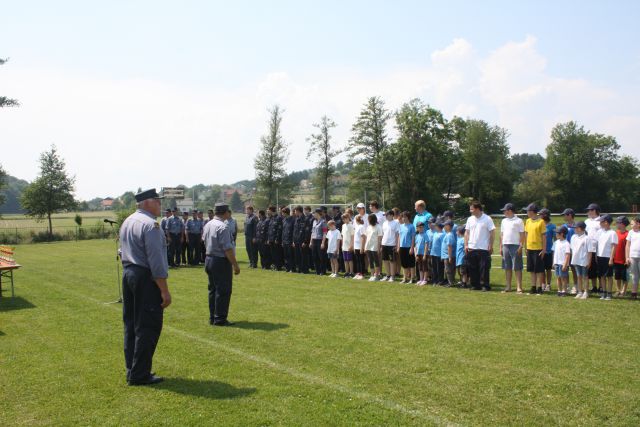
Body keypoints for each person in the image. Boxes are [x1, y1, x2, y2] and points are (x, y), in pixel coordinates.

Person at [119, 188, 171, 385]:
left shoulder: (128, 221)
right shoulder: (151, 226)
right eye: (158, 201)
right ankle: (140, 373)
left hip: (129, 272)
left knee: (131, 323)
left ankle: (132, 368)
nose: (160, 204)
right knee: (147, 325)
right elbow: (156, 262)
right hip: (144, 276)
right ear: (148, 202)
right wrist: (164, 290)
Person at [202, 203, 240, 326]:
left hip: (209, 258)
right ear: (225, 212)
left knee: (213, 290)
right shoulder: (222, 227)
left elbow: (204, 240)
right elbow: (227, 249)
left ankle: (213, 317)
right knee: (223, 290)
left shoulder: (208, 224)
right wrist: (235, 265)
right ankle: (220, 319)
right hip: (220, 261)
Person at [464, 201, 495, 291]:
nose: (470, 211)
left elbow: (492, 232)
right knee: (472, 267)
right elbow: (467, 232)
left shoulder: (487, 219)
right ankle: (475, 285)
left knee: (484, 268)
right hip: (472, 247)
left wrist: (491, 245)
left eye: (471, 209)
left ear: (477, 209)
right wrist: (466, 244)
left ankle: (485, 285)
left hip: (483, 247)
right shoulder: (470, 219)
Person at [499, 203, 525, 293]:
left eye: (505, 210)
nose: (504, 212)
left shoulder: (519, 221)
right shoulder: (503, 221)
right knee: (507, 267)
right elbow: (501, 234)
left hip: (516, 245)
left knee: (517, 267)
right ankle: (508, 286)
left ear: (509, 210)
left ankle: (519, 287)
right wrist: (501, 246)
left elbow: (522, 234)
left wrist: (521, 245)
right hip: (505, 245)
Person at [523, 203, 547, 295]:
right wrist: (526, 247)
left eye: (528, 211)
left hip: (538, 248)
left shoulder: (541, 222)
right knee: (531, 269)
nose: (527, 213)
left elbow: (544, 236)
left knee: (539, 270)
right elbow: (526, 234)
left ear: (532, 212)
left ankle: (539, 288)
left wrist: (544, 249)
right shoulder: (528, 221)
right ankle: (533, 287)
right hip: (530, 248)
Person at [595, 214, 618, 300]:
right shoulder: (600, 232)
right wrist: (596, 255)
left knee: (609, 276)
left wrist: (611, 258)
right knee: (602, 275)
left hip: (608, 257)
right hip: (600, 256)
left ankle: (609, 293)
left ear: (606, 222)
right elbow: (597, 244)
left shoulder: (612, 233)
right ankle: (603, 292)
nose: (600, 223)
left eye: (601, 221)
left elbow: (614, 247)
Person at [570, 221, 591, 299]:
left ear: (580, 228)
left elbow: (590, 251)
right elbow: (572, 249)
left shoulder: (587, 238)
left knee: (585, 276)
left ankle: (586, 292)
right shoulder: (573, 237)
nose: (574, 229)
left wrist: (589, 261)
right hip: (576, 260)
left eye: (576, 228)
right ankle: (579, 291)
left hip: (584, 260)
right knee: (578, 276)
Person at [585, 203, 602, 294]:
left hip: (598, 248)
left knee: (599, 268)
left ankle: (601, 286)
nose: (588, 212)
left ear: (594, 210)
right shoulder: (587, 221)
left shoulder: (600, 221)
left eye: (590, 210)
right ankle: (594, 286)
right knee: (591, 268)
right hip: (589, 248)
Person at [562, 208, 578, 294]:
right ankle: (566, 285)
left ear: (570, 215)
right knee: (565, 269)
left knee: (574, 269)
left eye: (565, 215)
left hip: (573, 251)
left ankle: (576, 286)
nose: (564, 216)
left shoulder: (576, 226)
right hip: (565, 251)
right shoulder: (564, 226)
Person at [363, 213, 383, 281]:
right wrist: (365, 247)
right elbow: (367, 237)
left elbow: (379, 238)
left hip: (375, 247)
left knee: (376, 261)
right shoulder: (368, 227)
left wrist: (378, 248)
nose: (368, 220)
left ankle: (376, 275)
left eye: (369, 219)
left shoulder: (378, 227)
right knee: (370, 261)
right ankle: (372, 275)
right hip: (369, 246)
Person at [552, 226, 571, 296]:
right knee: (558, 277)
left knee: (564, 278)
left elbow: (567, 255)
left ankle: (564, 291)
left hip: (562, 263)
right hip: (557, 263)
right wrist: (553, 262)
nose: (556, 234)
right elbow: (554, 253)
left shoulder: (566, 243)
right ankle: (559, 290)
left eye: (557, 233)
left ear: (562, 234)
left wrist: (565, 264)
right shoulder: (556, 242)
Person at [539, 208, 556, 291]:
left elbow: (555, 239)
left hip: (549, 250)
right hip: (540, 249)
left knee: (548, 269)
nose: (540, 216)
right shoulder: (539, 224)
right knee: (541, 268)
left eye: (541, 214)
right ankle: (543, 284)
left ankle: (548, 285)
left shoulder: (552, 226)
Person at [381, 210, 399, 282]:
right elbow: (383, 234)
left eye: (387, 215)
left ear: (392, 215)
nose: (386, 216)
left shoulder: (396, 223)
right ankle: (388, 275)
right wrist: (381, 244)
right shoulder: (384, 223)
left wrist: (397, 244)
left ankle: (392, 276)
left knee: (392, 261)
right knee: (385, 260)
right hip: (384, 244)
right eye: (385, 215)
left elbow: (398, 234)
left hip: (392, 245)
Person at [398, 211, 416, 284]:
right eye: (402, 217)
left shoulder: (412, 226)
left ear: (408, 217)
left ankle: (412, 278)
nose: (403, 218)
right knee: (404, 263)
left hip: (409, 247)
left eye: (405, 217)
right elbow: (399, 237)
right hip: (402, 247)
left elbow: (413, 237)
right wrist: (398, 246)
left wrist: (412, 248)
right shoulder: (401, 226)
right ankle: (405, 278)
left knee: (411, 263)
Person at [613, 216, 629, 297]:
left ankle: (624, 290)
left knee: (624, 276)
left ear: (622, 224)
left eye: (618, 222)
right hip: (616, 259)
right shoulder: (616, 233)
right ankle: (618, 290)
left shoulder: (628, 234)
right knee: (617, 276)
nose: (616, 224)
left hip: (624, 260)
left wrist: (627, 258)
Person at [625, 216, 640, 300]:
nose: (630, 225)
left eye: (632, 223)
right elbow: (627, 245)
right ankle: (634, 293)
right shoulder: (630, 232)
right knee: (634, 276)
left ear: (638, 224)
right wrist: (627, 257)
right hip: (633, 257)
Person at [310, 208, 327, 276]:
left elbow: (325, 233)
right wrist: (311, 242)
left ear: (318, 213)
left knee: (321, 256)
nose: (313, 214)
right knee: (315, 256)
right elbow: (312, 232)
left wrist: (323, 243)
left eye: (314, 213)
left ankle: (322, 271)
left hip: (320, 240)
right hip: (314, 240)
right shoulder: (314, 221)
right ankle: (317, 270)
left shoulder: (323, 222)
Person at [293, 206, 309, 274]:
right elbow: (295, 231)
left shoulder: (305, 219)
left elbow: (307, 232)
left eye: (295, 211)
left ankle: (304, 269)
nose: (294, 212)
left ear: (298, 211)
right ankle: (299, 269)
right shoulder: (296, 219)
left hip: (302, 241)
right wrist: (293, 241)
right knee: (298, 256)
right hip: (296, 241)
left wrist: (305, 241)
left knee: (303, 256)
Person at [441, 220, 456, 287]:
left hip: (448, 256)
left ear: (449, 226)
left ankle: (451, 283)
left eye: (445, 225)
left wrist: (449, 257)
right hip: (446, 255)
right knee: (448, 269)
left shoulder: (449, 235)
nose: (444, 226)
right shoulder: (448, 234)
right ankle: (450, 282)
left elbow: (449, 246)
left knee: (448, 270)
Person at [281, 207, 295, 272]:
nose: (282, 214)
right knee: (286, 255)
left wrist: (293, 241)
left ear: (286, 213)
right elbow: (283, 231)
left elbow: (293, 232)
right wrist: (282, 241)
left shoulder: (292, 220)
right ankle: (287, 268)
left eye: (282, 213)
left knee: (291, 255)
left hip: (290, 241)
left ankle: (292, 268)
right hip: (285, 241)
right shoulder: (283, 220)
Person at [341, 213, 355, 278]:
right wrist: (342, 245)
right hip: (344, 245)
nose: (344, 220)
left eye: (345, 218)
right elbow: (343, 236)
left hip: (349, 245)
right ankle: (346, 272)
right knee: (345, 260)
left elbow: (352, 236)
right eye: (343, 219)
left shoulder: (351, 226)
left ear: (348, 218)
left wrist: (351, 245)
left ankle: (351, 272)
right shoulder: (343, 225)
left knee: (350, 260)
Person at [430, 221, 444, 285]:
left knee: (439, 268)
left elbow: (443, 245)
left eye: (435, 226)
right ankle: (434, 280)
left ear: (438, 227)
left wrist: (442, 255)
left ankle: (440, 280)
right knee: (434, 267)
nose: (434, 227)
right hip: (433, 253)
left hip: (439, 254)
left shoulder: (442, 234)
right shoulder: (435, 233)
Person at [353, 214, 366, 280]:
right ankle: (358, 273)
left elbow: (363, 237)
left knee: (361, 260)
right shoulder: (357, 226)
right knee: (357, 260)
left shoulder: (361, 227)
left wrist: (362, 247)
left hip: (360, 246)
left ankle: (362, 273)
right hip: (356, 246)